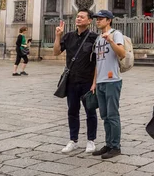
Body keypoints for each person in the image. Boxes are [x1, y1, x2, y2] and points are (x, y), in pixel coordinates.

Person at [53, 9, 99, 154]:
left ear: (89, 20)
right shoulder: (68, 36)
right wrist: (57, 36)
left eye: (82, 17)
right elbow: (56, 52)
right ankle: (73, 140)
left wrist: (95, 82)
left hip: (87, 81)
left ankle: (91, 140)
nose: (78, 19)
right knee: (72, 111)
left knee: (90, 111)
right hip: (71, 80)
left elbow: (98, 62)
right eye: (77, 16)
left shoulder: (94, 38)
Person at [92, 10, 125, 159]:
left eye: (100, 19)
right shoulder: (98, 38)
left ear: (109, 20)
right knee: (104, 115)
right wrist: (94, 82)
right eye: (96, 19)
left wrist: (110, 40)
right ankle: (108, 144)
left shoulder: (116, 34)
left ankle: (116, 146)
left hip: (112, 80)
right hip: (100, 81)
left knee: (113, 115)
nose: (98, 21)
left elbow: (122, 53)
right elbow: (97, 63)